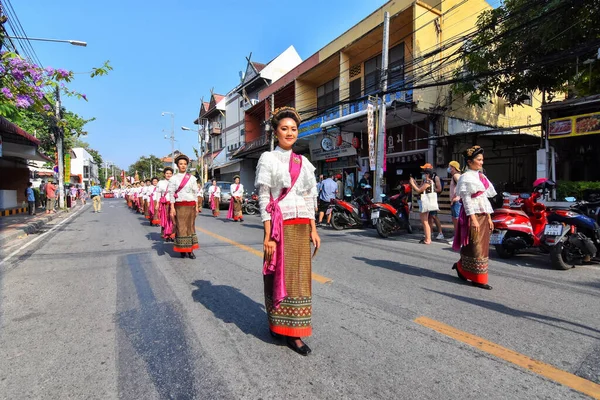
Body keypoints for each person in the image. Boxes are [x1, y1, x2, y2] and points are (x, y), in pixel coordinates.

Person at [256, 106, 320, 356]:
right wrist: (268, 236)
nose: (289, 132)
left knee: (299, 280)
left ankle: (295, 333)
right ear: (276, 131)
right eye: (284, 128)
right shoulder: (268, 159)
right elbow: (264, 198)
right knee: (275, 275)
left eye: (293, 129)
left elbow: (307, 196)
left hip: (301, 226)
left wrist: (313, 228)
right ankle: (276, 323)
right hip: (279, 227)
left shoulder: (303, 162)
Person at [452, 145, 497, 290]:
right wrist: (473, 218)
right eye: (479, 160)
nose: (481, 162)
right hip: (472, 215)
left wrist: (489, 217)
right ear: (470, 162)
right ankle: (478, 279)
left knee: (481, 247)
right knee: (475, 246)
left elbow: (484, 198)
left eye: (482, 160)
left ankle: (462, 267)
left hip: (483, 214)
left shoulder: (481, 176)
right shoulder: (465, 177)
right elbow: (466, 199)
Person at [168, 154, 200, 258]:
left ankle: (190, 250)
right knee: (181, 227)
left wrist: (196, 206)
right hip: (179, 205)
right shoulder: (173, 179)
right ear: (177, 165)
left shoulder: (192, 178)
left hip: (190, 205)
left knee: (190, 227)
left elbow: (195, 193)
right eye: (181, 164)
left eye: (185, 164)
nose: (183, 166)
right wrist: (172, 208)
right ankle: (182, 249)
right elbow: (172, 194)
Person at [409, 169, 435, 244]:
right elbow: (419, 188)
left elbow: (419, 190)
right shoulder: (427, 182)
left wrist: (412, 184)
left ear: (427, 174)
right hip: (424, 202)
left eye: (424, 174)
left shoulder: (428, 182)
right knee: (425, 221)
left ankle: (428, 239)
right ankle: (427, 238)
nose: (423, 175)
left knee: (425, 221)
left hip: (425, 202)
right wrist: (414, 183)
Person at [421, 163, 444, 240]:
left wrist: (431, 189)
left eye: (425, 169)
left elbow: (439, 189)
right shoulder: (425, 178)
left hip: (432, 199)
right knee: (429, 217)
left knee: (434, 216)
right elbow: (421, 187)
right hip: (426, 199)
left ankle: (440, 233)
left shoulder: (435, 177)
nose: (424, 171)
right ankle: (430, 233)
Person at [158, 167, 175, 242]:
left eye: (170, 173)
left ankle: (172, 234)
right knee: (165, 218)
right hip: (165, 203)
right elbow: (158, 193)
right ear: (164, 174)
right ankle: (166, 234)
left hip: (174, 203)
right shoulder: (161, 183)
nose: (169, 175)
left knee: (173, 219)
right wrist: (157, 204)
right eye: (167, 173)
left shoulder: (175, 182)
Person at [448, 160, 462, 235]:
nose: (449, 169)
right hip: (455, 201)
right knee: (454, 219)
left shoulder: (456, 176)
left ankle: (459, 238)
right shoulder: (455, 176)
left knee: (457, 219)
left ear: (453, 167)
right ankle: (456, 237)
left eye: (450, 167)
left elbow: (461, 186)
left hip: (456, 201)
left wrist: (455, 196)